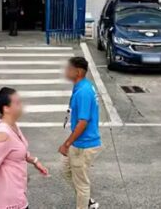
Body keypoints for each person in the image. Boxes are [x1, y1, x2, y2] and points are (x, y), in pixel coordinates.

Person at [60, 57, 102, 209]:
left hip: (84, 145)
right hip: (78, 142)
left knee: (81, 183)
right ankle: (87, 200)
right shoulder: (82, 86)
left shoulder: (83, 91)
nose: (65, 71)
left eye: (68, 69)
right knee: (66, 170)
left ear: (77, 72)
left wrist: (66, 144)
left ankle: (84, 203)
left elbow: (83, 123)